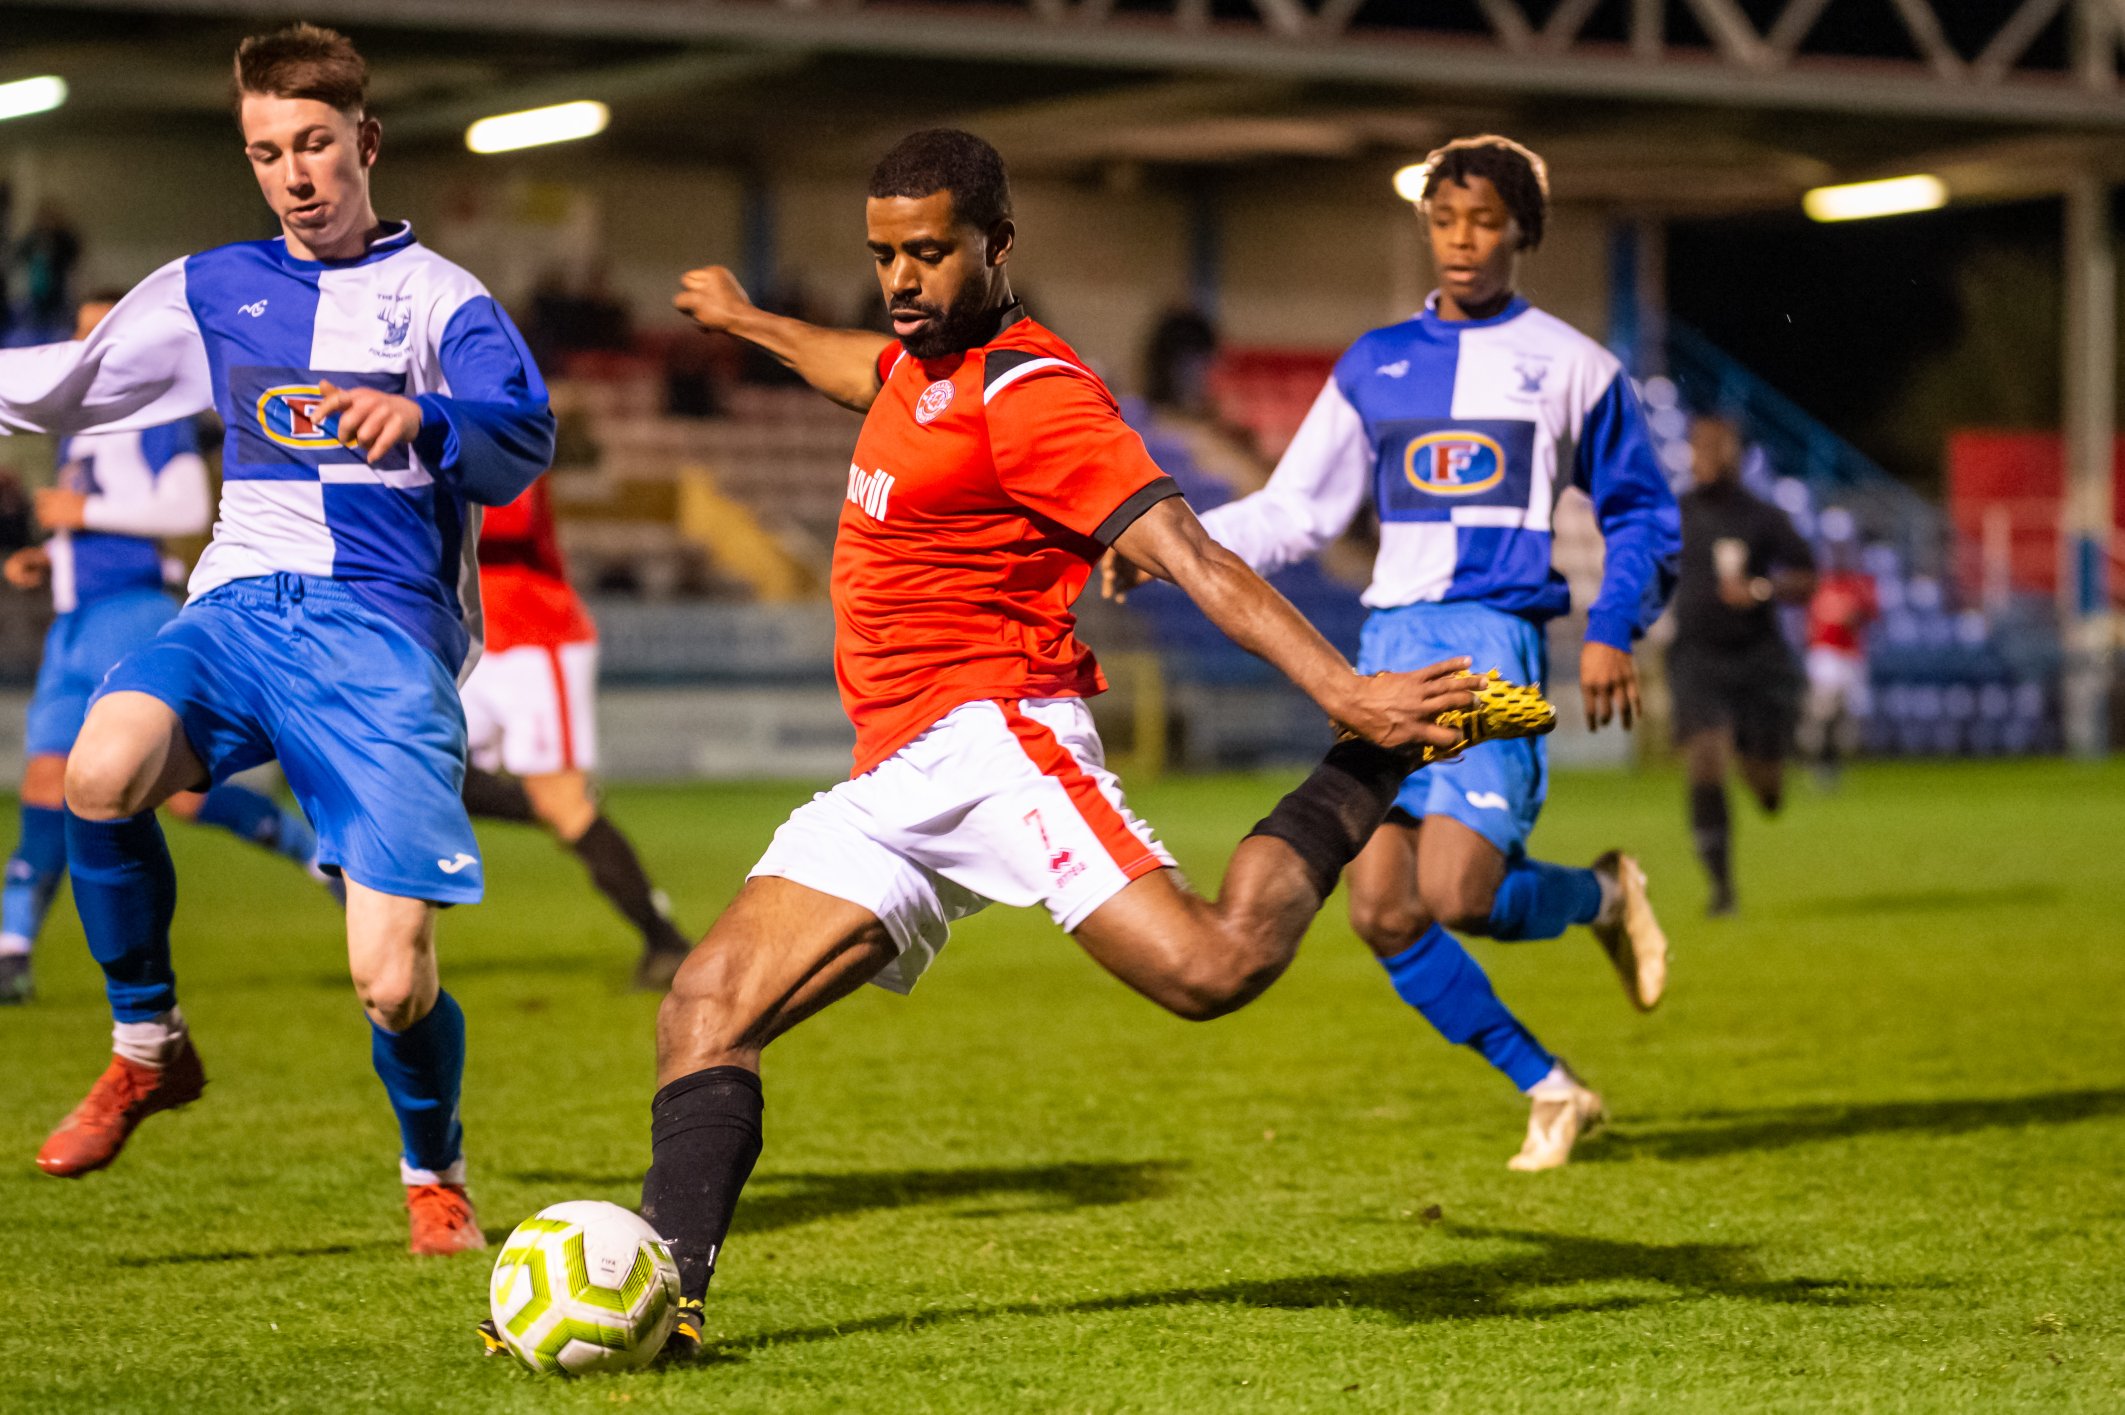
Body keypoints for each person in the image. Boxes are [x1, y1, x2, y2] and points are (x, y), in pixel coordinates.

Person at [611, 130, 1549, 1360]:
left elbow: (1194, 556)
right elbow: (859, 371)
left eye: (929, 253)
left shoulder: (1033, 392)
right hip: (896, 769)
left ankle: (1369, 766)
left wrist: (1354, 695)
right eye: (884, 254)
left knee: (1211, 969)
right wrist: (747, 320)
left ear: (998, 245)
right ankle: (664, 1305)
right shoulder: (913, 365)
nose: (900, 279)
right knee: (702, 1006)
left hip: (1001, 735)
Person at [0, 25, 553, 1253]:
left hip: (382, 636)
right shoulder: (214, 287)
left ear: (364, 141)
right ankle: (148, 1044)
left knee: (392, 980)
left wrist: (421, 414)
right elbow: (68, 382)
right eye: (266, 153)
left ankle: (433, 1170)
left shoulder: (441, 300)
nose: (294, 175)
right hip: (245, 603)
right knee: (99, 770)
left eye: (312, 145)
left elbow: (523, 437)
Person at [1107, 135, 1679, 1171]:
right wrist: (1176, 551)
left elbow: (1640, 512)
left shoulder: (1575, 366)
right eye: (1445, 220)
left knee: (1460, 892)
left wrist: (1609, 627)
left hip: (1489, 641)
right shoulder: (1375, 363)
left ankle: (1602, 894)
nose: (1462, 241)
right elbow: (1298, 506)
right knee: (1378, 909)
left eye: (1485, 222)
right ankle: (1550, 1086)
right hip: (1387, 649)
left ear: (1523, 233)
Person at [0, 292, 332, 1005]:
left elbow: (185, 509)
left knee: (169, 794)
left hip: (135, 615)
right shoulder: (76, 431)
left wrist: (83, 514)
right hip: (75, 621)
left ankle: (317, 856)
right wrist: (51, 556)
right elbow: (99, 525)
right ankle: (12, 949)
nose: (88, 348)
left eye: (102, 333)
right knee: (44, 785)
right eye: (80, 332)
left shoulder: (154, 419)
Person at [457, 474, 693, 990]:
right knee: (429, 772)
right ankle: (546, 808)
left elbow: (508, 512)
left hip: (533, 632)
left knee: (564, 805)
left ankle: (665, 942)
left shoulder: (492, 400)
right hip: (460, 631)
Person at [1668, 414, 1817, 916]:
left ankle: (1766, 775)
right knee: (1705, 758)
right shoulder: (1674, 513)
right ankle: (1722, 889)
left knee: (1766, 786)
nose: (1705, 454)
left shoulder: (1762, 517)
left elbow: (1807, 575)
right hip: (1696, 658)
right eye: (1699, 445)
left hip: (1757, 660)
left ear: (1735, 453)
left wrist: (1760, 590)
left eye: (1717, 446)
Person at [1797, 521, 1877, 788]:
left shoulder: (1859, 583)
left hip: (1850, 654)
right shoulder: (1819, 582)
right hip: (1825, 654)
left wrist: (1853, 616)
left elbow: (1870, 614)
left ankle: (1832, 767)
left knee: (1845, 716)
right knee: (1822, 714)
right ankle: (1818, 765)